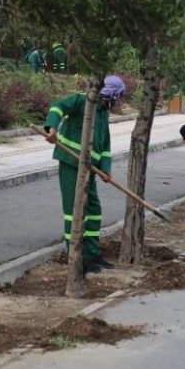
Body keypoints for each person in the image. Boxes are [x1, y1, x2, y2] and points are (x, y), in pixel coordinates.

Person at [44, 75, 126, 274]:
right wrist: (51, 128)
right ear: (111, 95)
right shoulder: (83, 101)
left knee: (94, 208)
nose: (118, 102)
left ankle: (92, 254)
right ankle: (75, 256)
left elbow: (104, 143)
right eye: (118, 98)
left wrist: (106, 169)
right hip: (71, 163)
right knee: (75, 211)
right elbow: (58, 107)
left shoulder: (104, 112)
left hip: (91, 168)